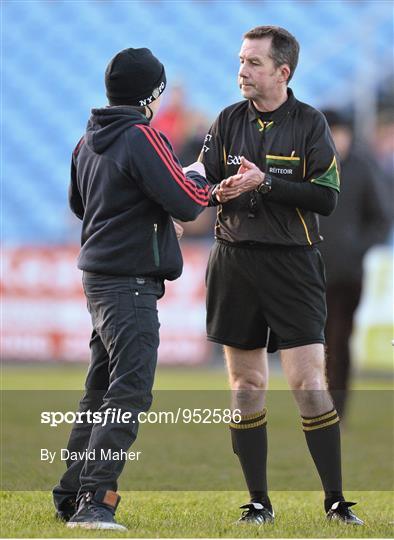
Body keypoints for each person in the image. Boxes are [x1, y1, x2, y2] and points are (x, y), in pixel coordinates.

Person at [200, 26, 363, 525]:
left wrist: (265, 182)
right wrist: (213, 192)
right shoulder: (227, 120)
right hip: (234, 261)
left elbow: (327, 199)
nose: (242, 71)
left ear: (282, 71)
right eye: (241, 61)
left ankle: (336, 502)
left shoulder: (311, 124)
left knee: (309, 382)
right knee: (246, 384)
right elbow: (202, 180)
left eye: (253, 63)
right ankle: (258, 504)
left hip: (293, 264)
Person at [52, 47, 209, 530]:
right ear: (153, 94)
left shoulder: (88, 139)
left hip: (97, 278)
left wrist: (149, 217)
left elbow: (84, 206)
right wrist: (201, 169)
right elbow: (189, 202)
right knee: (130, 390)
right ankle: (95, 501)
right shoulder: (143, 136)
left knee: (100, 387)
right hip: (131, 283)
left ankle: (71, 492)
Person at [319, 110, 391, 419]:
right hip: (309, 270)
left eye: (339, 134)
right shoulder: (310, 167)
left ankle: (338, 407)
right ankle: (316, 405)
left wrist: (356, 249)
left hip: (347, 275)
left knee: (339, 339)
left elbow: (381, 218)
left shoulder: (363, 169)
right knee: (312, 342)